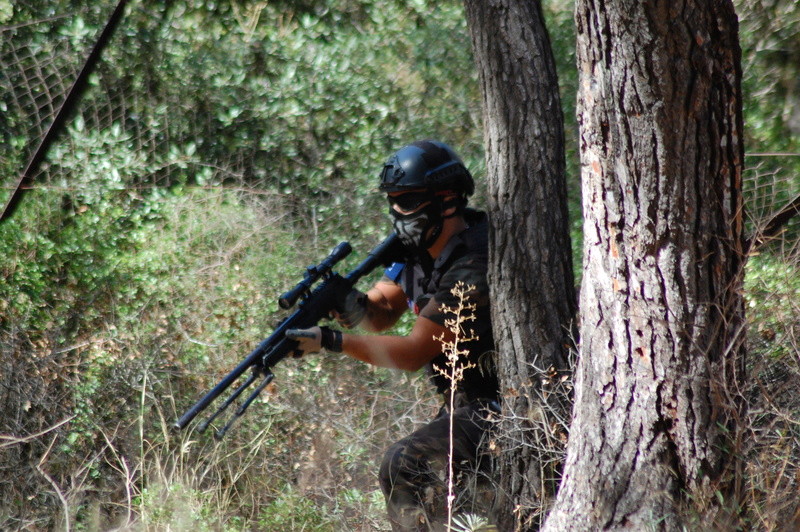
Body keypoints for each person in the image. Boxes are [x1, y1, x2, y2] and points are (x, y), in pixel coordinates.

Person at [286, 140, 499, 531]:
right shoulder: (420, 252)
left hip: (505, 405)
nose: (397, 211)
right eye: (392, 200)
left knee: (406, 463)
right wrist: (345, 300)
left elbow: (414, 351)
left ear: (447, 198)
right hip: (463, 405)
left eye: (407, 200)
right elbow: (380, 312)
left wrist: (331, 340)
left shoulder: (474, 259)